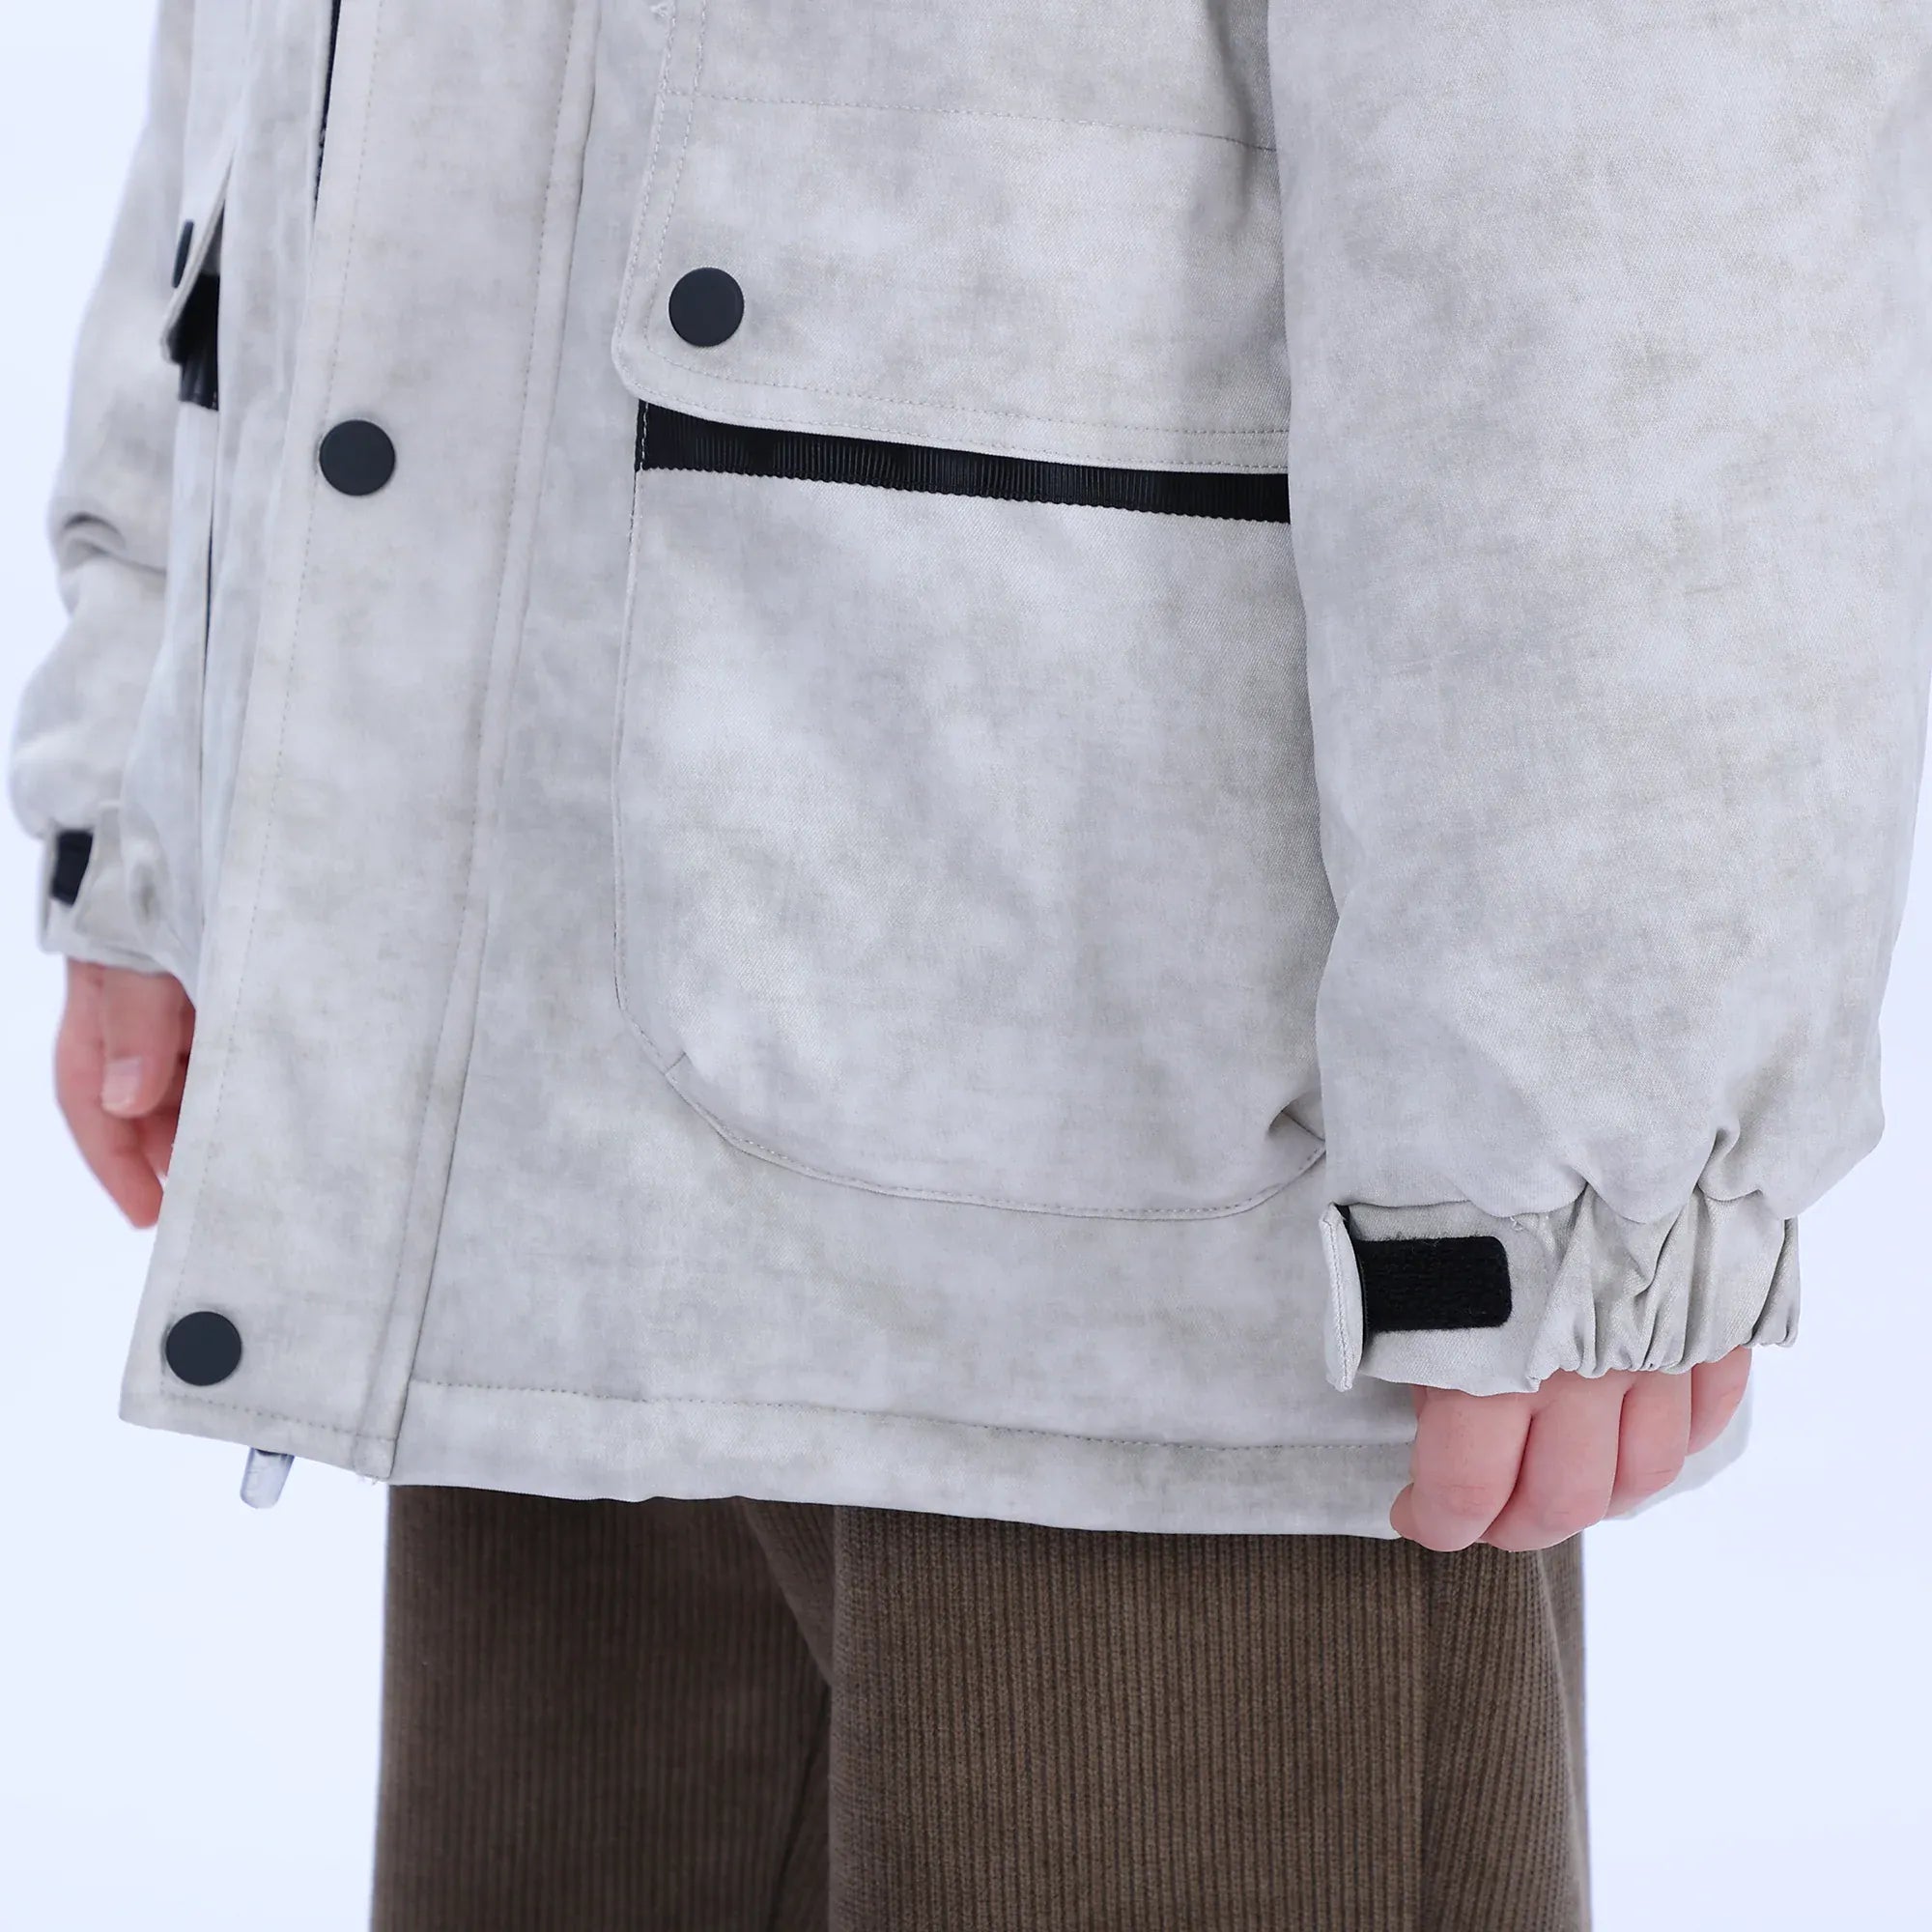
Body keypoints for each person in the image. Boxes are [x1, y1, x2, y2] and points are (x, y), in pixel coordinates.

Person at [11, 4, 1928, 1927]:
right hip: (526, 1140)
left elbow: (1634, 126)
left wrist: (1597, 1112)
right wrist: (167, 743)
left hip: (1142, 1233)